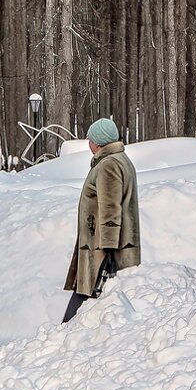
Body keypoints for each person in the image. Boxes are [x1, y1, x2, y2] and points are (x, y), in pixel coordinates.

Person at [62, 117, 141, 323]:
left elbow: (110, 208)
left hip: (102, 248)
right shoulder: (118, 160)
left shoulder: (109, 165)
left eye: (90, 140)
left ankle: (64, 332)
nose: (88, 144)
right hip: (105, 245)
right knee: (90, 296)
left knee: (88, 293)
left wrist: (108, 249)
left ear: (98, 142)